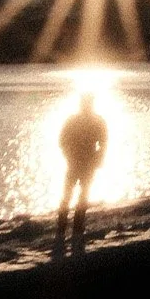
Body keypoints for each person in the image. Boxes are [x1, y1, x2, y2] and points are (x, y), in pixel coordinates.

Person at [54, 92, 108, 253]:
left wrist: (98, 159)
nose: (86, 106)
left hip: (86, 163)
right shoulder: (74, 120)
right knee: (69, 196)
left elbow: (103, 143)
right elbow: (62, 141)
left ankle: (75, 229)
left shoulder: (97, 121)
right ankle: (63, 229)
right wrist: (69, 157)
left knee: (81, 196)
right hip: (75, 162)